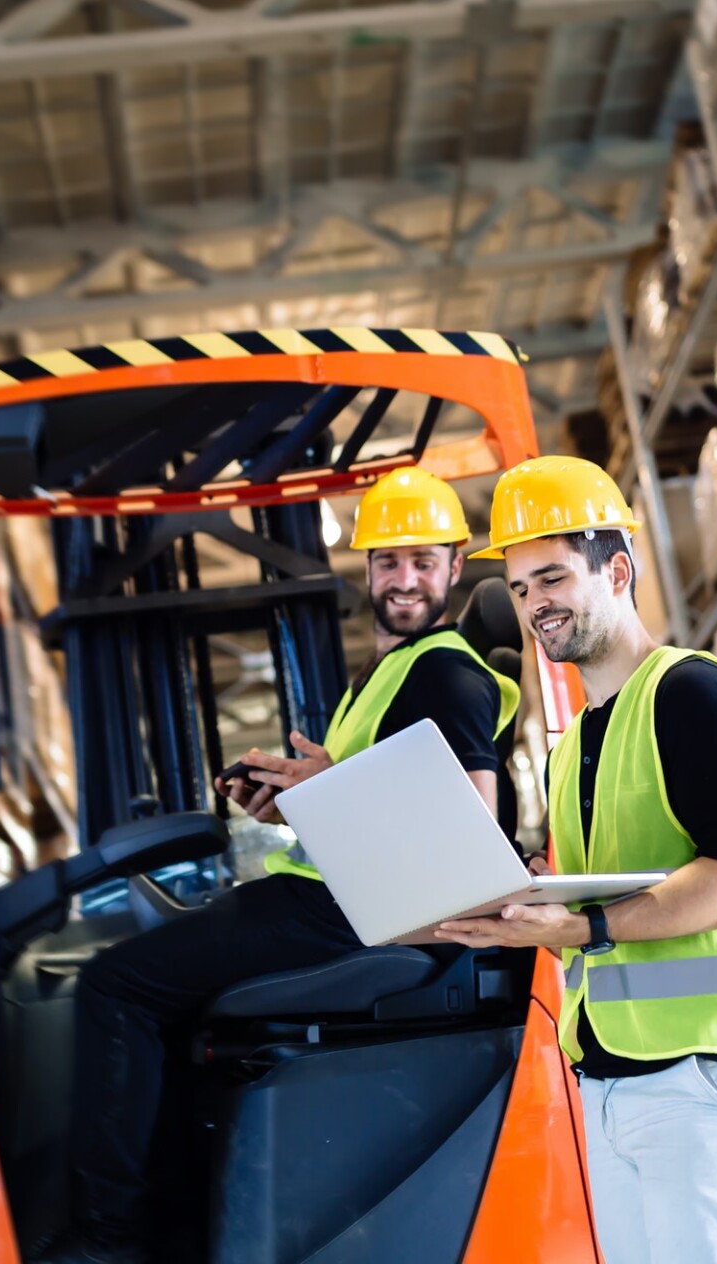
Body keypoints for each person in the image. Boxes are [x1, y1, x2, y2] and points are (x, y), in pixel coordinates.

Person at [36, 466, 520, 1264]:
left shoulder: (447, 672)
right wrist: (291, 800)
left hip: (352, 913)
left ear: (454, 568)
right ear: (365, 569)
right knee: (170, 997)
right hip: (341, 894)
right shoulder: (381, 677)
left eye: (423, 563)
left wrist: (329, 790)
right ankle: (172, 1226)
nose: (405, 580)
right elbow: (373, 803)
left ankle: (108, 1238)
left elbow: (471, 832)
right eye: (389, 562)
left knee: (113, 985)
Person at [436, 456, 717, 1264]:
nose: (535, 606)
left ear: (616, 570)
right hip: (617, 1080)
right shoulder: (575, 741)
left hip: (714, 1073)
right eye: (519, 590)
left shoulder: (693, 695)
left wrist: (581, 928)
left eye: (551, 578)